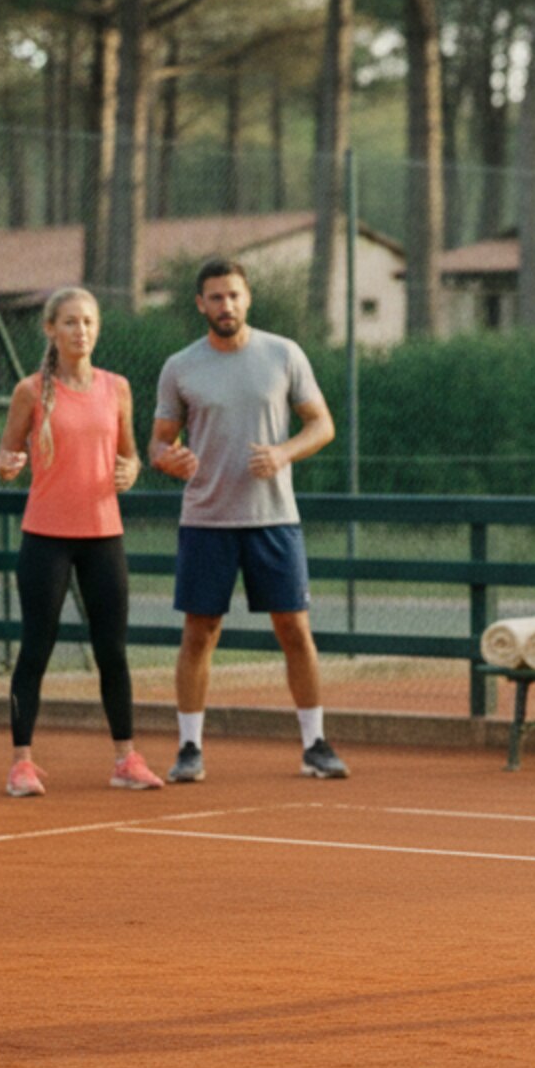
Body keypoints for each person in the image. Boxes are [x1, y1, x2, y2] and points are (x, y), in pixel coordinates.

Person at [148, 259, 349, 782]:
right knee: (200, 632)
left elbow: (322, 424)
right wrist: (168, 458)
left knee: (294, 629)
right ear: (201, 304)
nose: (226, 306)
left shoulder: (284, 354)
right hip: (206, 519)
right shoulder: (180, 366)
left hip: (274, 519)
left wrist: (283, 454)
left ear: (248, 298)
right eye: (215, 298)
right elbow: (159, 441)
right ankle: (189, 749)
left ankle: (315, 744)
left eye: (234, 296)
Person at [0, 286, 163, 797]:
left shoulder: (118, 389)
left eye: (88, 322)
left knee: (112, 650)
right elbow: (6, 458)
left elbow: (129, 455)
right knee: (36, 649)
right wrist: (8, 466)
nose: (80, 331)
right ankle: (21, 764)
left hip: (103, 536)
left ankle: (125, 759)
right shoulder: (29, 391)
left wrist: (129, 470)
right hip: (45, 537)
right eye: (70, 322)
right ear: (51, 330)